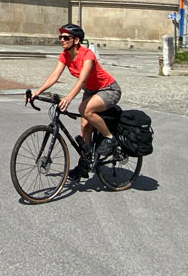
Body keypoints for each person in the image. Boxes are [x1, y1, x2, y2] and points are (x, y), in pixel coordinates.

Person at [28, 23, 121, 179]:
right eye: (61, 37)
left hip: (109, 90)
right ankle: (84, 164)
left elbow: (82, 81)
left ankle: (110, 138)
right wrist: (37, 92)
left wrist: (69, 97)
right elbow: (54, 76)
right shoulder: (65, 54)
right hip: (91, 92)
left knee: (84, 110)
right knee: (85, 126)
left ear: (76, 40)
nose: (62, 40)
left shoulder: (87, 55)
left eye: (66, 37)